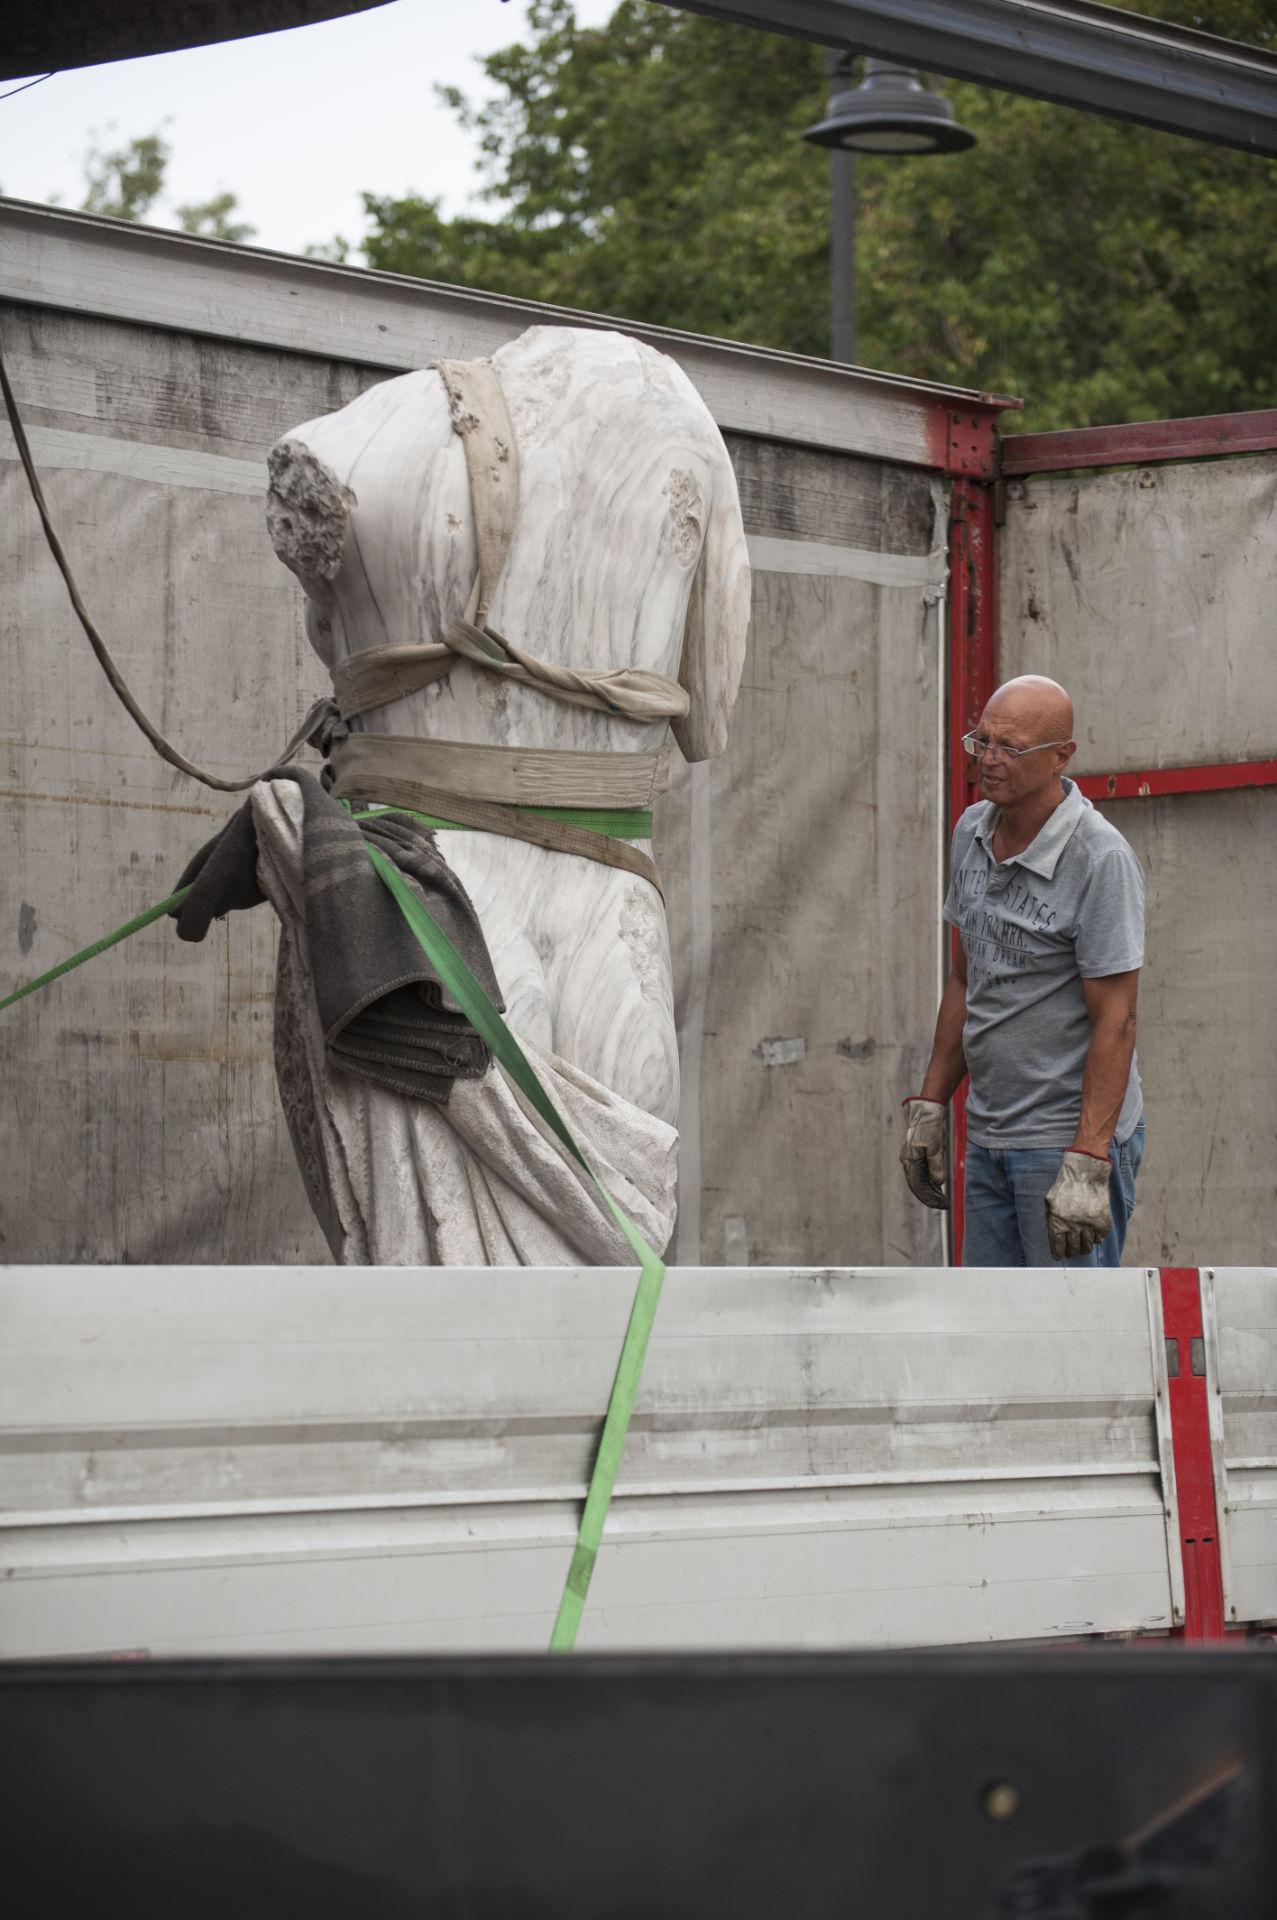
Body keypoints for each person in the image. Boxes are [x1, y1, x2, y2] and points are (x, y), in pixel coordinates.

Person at [901, 675, 1144, 1266]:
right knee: (995, 1333)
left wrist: (1087, 1160)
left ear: (1063, 757)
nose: (990, 760)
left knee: (1068, 1333)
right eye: (982, 742)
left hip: (1061, 1144)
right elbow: (967, 976)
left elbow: (1117, 1018)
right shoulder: (973, 831)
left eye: (1012, 748)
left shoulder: (1099, 859)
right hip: (990, 1134)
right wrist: (932, 1103)